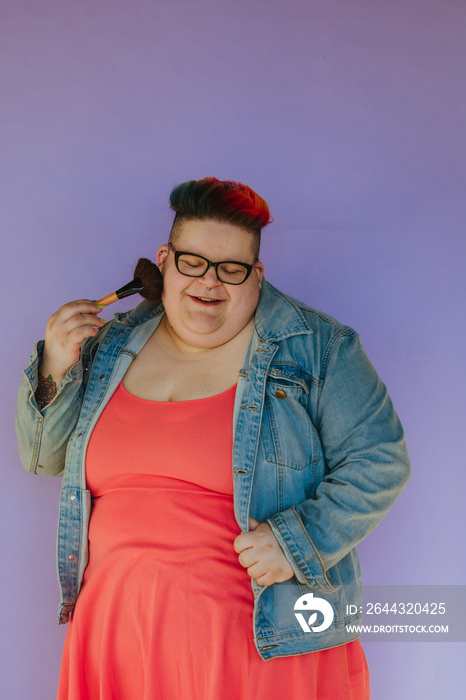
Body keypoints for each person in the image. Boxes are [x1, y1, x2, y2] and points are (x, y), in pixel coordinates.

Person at [16, 177, 410, 699]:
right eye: (193, 262)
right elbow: (43, 458)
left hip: (258, 641)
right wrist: (55, 367)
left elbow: (380, 460)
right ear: (164, 259)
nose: (209, 282)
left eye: (232, 269)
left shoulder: (318, 348)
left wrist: (299, 543)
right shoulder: (109, 346)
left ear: (257, 273)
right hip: (118, 635)